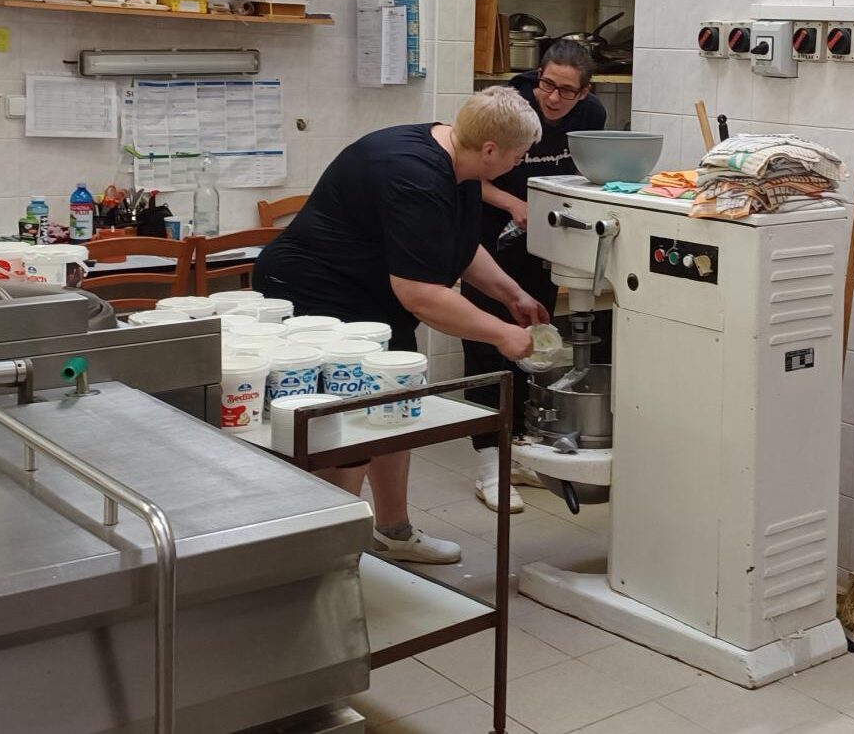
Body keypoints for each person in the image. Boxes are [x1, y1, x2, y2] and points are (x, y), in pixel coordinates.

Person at [256, 87, 550, 564]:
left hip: (372, 294)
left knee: (394, 409)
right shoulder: (415, 175)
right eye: (518, 155)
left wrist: (512, 295)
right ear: (490, 149)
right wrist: (503, 334)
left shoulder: (461, 160)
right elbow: (421, 296)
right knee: (345, 429)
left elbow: (459, 246)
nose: (519, 163)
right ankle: (333, 554)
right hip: (316, 290)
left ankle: (392, 531)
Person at [461, 40, 607, 511]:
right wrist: (512, 203)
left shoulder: (591, 116)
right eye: (547, 84)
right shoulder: (511, 107)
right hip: (487, 242)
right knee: (486, 348)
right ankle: (489, 464)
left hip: (541, 242)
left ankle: (516, 450)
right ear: (537, 75)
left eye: (567, 91)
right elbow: (467, 172)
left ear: (585, 92)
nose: (554, 98)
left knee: (532, 343)